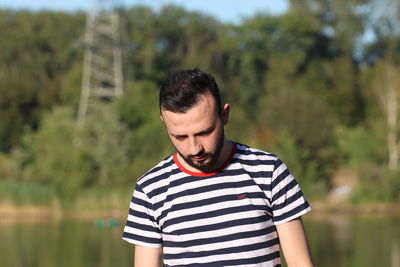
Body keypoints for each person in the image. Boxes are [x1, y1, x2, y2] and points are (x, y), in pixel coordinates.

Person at [122, 68, 314, 267]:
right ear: (165, 124)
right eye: (179, 136)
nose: (194, 148)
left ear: (224, 115)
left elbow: (301, 263)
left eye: (204, 132)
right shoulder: (150, 190)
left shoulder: (269, 171)